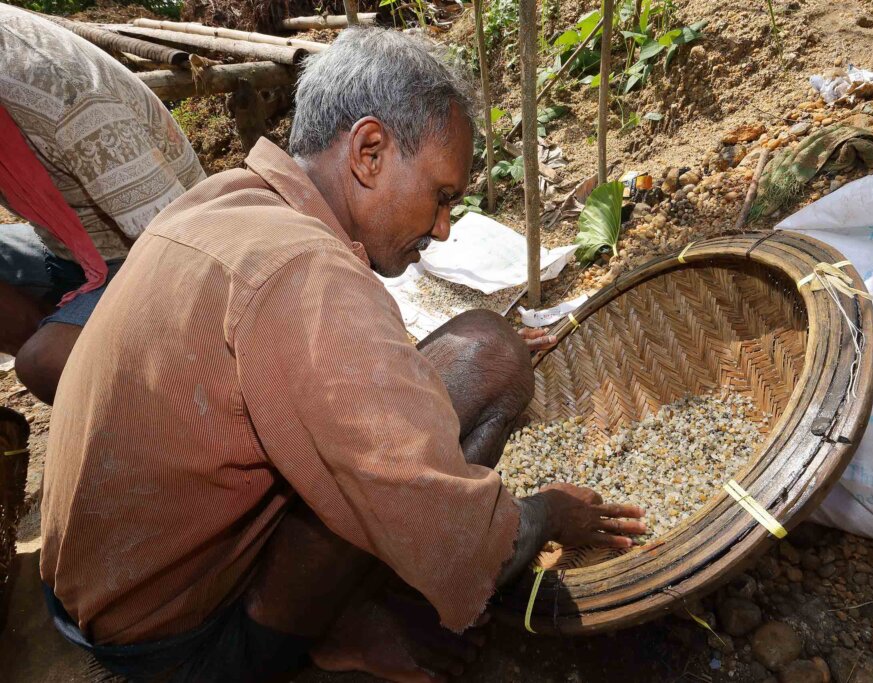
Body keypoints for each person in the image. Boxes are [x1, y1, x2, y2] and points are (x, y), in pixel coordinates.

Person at [40, 27, 646, 683]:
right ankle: (339, 624)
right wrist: (549, 513)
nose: (443, 228)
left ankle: (340, 612)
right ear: (369, 152)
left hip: (89, 595)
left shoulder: (223, 202)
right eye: (441, 196)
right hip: (177, 648)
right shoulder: (307, 273)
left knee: (488, 346)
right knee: (461, 401)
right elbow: (458, 539)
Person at [0, 4, 205, 405]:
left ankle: (142, 408)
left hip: (145, 251)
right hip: (69, 247)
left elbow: (185, 254)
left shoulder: (62, 92)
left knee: (44, 362)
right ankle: (84, 350)